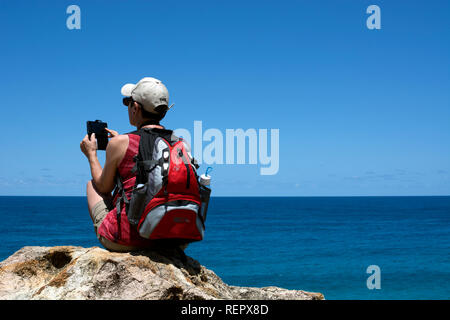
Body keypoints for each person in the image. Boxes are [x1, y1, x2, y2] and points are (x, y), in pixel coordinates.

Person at [80, 77, 176, 252]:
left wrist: (91, 154)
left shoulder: (121, 143)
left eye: (129, 102)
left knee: (92, 185)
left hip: (128, 238)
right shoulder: (179, 143)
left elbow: (104, 186)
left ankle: (115, 231)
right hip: (168, 239)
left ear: (136, 108)